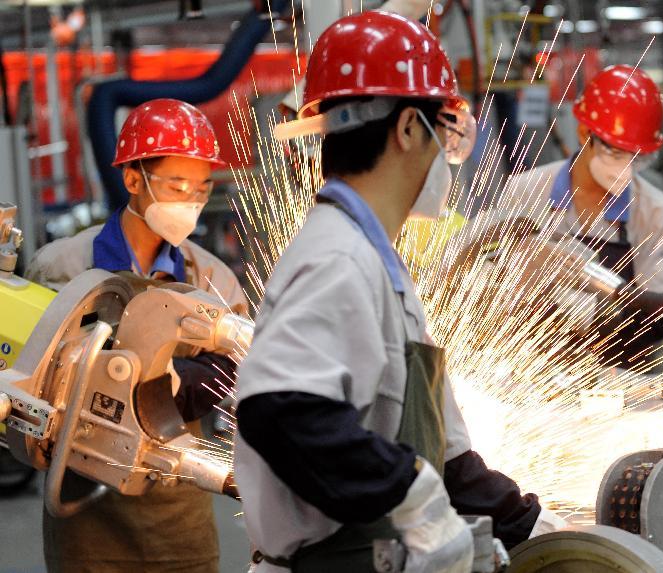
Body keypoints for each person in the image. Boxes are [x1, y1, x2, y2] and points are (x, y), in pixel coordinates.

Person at [234, 11, 565, 573]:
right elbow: (279, 409)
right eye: (445, 134)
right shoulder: (338, 258)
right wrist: (412, 498)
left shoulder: (377, 260)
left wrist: (533, 526)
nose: (446, 160)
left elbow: (448, 462)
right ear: (409, 128)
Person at [26, 98, 248, 573]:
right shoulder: (63, 265)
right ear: (133, 179)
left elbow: (234, 369)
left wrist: (171, 386)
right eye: (178, 185)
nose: (191, 200)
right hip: (85, 513)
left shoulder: (210, 279)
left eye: (202, 188)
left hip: (176, 511)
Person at [455, 65, 663, 360]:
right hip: (525, 370)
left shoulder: (655, 211)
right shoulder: (526, 190)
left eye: (636, 158)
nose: (625, 168)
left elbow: (661, 320)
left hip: (619, 376)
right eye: (615, 152)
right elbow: (485, 277)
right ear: (583, 132)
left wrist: (593, 313)